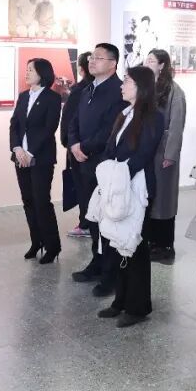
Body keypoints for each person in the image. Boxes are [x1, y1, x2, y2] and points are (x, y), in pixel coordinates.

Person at [95, 66, 164, 327]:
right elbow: (109, 148)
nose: (122, 86)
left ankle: (138, 307)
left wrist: (117, 175)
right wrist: (108, 171)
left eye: (127, 81)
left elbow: (142, 155)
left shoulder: (154, 117)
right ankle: (120, 300)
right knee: (117, 242)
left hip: (136, 187)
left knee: (135, 246)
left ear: (141, 87)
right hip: (118, 184)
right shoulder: (124, 114)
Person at [69, 43, 128, 296]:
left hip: (103, 163)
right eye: (92, 57)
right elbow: (74, 121)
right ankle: (97, 261)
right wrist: (74, 144)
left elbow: (110, 129)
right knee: (90, 216)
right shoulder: (87, 89)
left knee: (106, 219)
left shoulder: (118, 91)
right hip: (82, 161)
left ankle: (110, 272)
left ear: (113, 64)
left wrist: (85, 147)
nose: (92, 61)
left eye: (99, 58)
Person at [10, 58, 63, 265]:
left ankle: (52, 246)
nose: (27, 73)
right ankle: (36, 242)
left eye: (31, 70)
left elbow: (49, 128)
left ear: (42, 73)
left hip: (40, 158)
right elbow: (14, 125)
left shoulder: (52, 98)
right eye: (27, 69)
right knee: (28, 201)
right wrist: (17, 148)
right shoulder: (23, 96)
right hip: (20, 157)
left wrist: (30, 152)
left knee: (41, 202)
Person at [143, 49, 186, 263]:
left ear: (162, 65)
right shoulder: (146, 87)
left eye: (151, 60)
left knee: (164, 199)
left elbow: (176, 125)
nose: (147, 63)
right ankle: (151, 241)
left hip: (163, 152)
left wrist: (170, 154)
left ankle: (166, 245)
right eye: (146, 59)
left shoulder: (174, 91)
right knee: (149, 197)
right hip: (147, 151)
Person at [62, 52, 93, 239]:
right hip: (90, 147)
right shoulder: (93, 89)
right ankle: (89, 223)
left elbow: (68, 121)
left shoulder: (80, 90)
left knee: (83, 188)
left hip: (79, 148)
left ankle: (86, 224)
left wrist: (69, 143)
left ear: (81, 69)